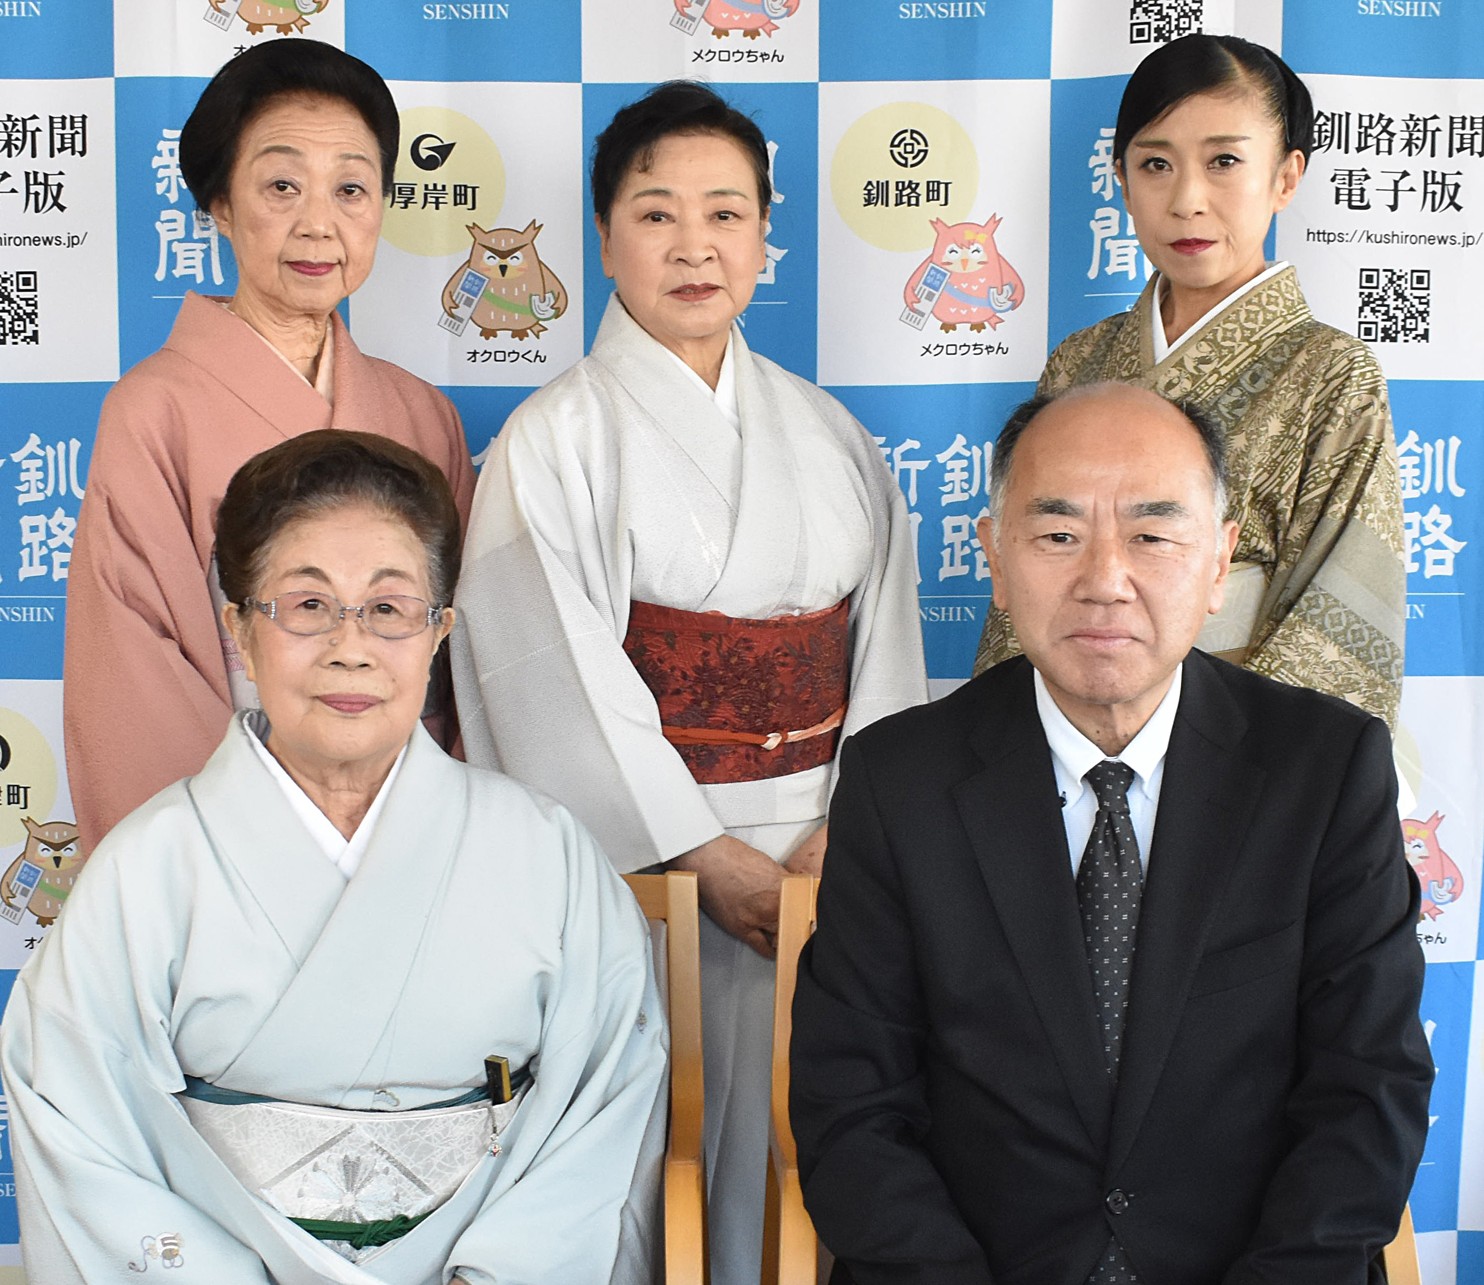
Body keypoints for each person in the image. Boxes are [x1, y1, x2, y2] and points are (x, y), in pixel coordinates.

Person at [790, 384, 1432, 1285]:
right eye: (1058, 534)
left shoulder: (1325, 771)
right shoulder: (900, 780)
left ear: (1219, 562)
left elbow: (1367, 1089)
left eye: (1152, 535)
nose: (1104, 578)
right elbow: (853, 1106)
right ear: (995, 559)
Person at [452, 80, 927, 1284]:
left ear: (765, 236)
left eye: (725, 213)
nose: (693, 245)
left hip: (826, 866)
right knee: (648, 1155)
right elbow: (543, 670)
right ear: (604, 236)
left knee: (820, 1153)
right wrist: (702, 859)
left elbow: (883, 654)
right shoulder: (552, 439)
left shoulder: (829, 433)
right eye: (655, 213)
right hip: (646, 869)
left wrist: (843, 836)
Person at [2, 431, 665, 1285]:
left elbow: (604, 1102)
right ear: (241, 630)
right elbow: (80, 1123)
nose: (351, 646)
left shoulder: (548, 856)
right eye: (308, 604)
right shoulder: (146, 872)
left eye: (389, 608)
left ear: (439, 632)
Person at [65, 40, 476, 853]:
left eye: (350, 189)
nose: (319, 223)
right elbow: (135, 677)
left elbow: (469, 661)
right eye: (282, 186)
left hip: (410, 834)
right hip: (234, 842)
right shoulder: (153, 411)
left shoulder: (422, 413)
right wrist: (250, 850)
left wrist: (431, 831)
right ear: (220, 203)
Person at [972, 33, 1405, 729]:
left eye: (1224, 161)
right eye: (1156, 164)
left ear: (1286, 176)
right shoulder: (1079, 361)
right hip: (1063, 740)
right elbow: (1027, 567)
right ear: (1121, 178)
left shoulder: (1332, 375)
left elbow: (1339, 623)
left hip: (1234, 751)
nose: (1187, 200)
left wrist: (1226, 762)